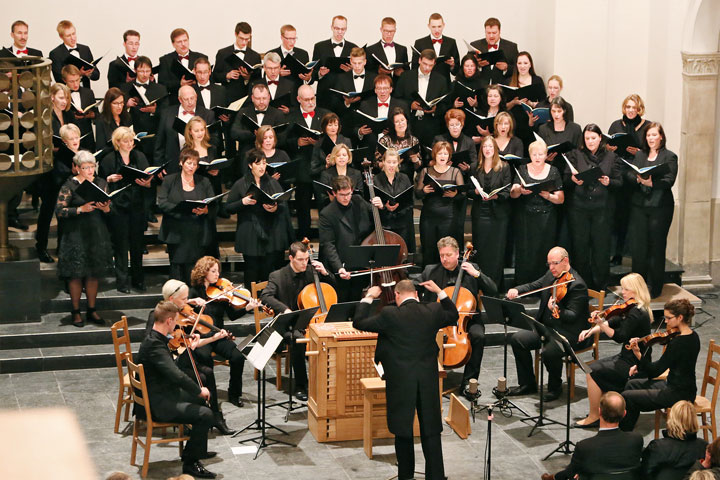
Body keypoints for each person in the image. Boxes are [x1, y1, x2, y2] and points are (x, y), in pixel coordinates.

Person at [354, 279, 458, 480]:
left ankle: (406, 475)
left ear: (396, 295)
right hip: (427, 378)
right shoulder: (433, 310)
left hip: (401, 380)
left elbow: (359, 322)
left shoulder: (389, 314)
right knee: (431, 429)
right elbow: (453, 314)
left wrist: (369, 297)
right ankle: (436, 476)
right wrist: (440, 292)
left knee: (403, 429)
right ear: (416, 294)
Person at [137, 301, 217, 479]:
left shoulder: (154, 338)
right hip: (159, 404)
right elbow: (177, 375)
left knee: (202, 402)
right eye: (175, 321)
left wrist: (189, 346)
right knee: (205, 413)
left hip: (161, 393)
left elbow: (171, 366)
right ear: (169, 321)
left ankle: (197, 448)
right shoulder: (154, 345)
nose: (177, 325)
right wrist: (199, 390)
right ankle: (190, 463)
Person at [151, 279, 240, 435]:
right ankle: (196, 418)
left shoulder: (178, 314)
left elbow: (190, 343)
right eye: (185, 299)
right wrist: (179, 344)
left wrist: (214, 337)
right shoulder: (159, 317)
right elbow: (163, 350)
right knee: (203, 375)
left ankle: (215, 416)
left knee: (208, 372)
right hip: (168, 367)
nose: (188, 302)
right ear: (171, 299)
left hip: (179, 360)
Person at [506, 247, 590, 401]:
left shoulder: (577, 285)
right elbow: (533, 286)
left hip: (568, 333)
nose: (551, 267)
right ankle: (527, 384)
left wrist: (557, 310)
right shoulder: (551, 275)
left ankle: (555, 387)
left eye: (555, 263)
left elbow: (573, 316)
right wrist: (517, 290)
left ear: (565, 261)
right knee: (518, 339)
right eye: (549, 264)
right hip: (547, 328)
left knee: (549, 352)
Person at [419, 236, 497, 400]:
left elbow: (493, 290)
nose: (444, 259)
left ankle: (469, 382)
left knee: (478, 336)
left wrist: (477, 274)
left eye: (448, 255)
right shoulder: (431, 271)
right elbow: (414, 285)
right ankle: (427, 379)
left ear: (457, 254)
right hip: (438, 320)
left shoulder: (471, 268)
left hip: (467, 321)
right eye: (442, 255)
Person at [574, 273, 652, 427]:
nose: (623, 292)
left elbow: (620, 336)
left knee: (592, 371)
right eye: (623, 288)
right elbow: (611, 322)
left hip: (635, 363)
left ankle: (594, 416)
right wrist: (590, 330)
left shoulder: (637, 312)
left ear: (636, 290)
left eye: (626, 289)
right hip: (626, 356)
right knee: (595, 370)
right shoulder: (630, 307)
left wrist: (600, 324)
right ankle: (604, 413)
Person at [261, 241, 336, 401]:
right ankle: (301, 385)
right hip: (287, 324)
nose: (305, 263)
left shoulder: (311, 272)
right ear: (291, 258)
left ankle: (327, 382)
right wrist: (285, 309)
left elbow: (332, 287)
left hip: (309, 321)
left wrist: (325, 273)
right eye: (301, 259)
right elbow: (265, 296)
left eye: (307, 259)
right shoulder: (277, 276)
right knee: (298, 340)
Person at [620, 299, 701, 431]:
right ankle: (628, 427)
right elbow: (661, 364)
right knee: (631, 384)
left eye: (669, 318)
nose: (666, 322)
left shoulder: (678, 343)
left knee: (627, 396)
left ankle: (625, 432)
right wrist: (640, 365)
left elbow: (655, 372)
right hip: (681, 386)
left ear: (680, 317)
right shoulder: (693, 336)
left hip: (679, 394)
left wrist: (638, 354)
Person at [188, 256, 258, 408]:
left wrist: (247, 308)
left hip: (219, 335)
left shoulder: (221, 292)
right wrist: (191, 302)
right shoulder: (193, 292)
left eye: (218, 271)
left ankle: (234, 394)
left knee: (238, 356)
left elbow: (232, 315)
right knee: (205, 359)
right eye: (213, 271)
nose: (217, 274)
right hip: (202, 339)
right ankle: (209, 397)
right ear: (204, 272)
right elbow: (181, 309)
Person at [55, 150, 113, 327]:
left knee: (93, 274)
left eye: (92, 167)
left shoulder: (101, 183)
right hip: (75, 234)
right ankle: (75, 312)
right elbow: (59, 211)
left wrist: (105, 209)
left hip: (96, 233)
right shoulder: (70, 185)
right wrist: (80, 209)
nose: (90, 170)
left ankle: (92, 310)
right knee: (76, 275)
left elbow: (110, 210)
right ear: (78, 168)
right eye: (86, 167)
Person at [564, 123, 622, 291]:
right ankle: (582, 285)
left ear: (600, 138)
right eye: (587, 138)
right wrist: (573, 180)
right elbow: (566, 179)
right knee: (580, 248)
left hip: (602, 209)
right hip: (579, 208)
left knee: (601, 248)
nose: (590, 141)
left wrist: (609, 182)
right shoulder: (576, 154)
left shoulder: (611, 156)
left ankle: (600, 286)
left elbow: (619, 182)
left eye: (593, 138)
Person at [225, 149, 294, 285]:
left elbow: (283, 204)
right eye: (258, 164)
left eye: (264, 163)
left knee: (268, 273)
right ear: (250, 165)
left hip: (270, 233)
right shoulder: (240, 183)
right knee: (251, 272)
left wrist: (275, 207)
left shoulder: (272, 182)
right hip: (250, 233)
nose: (262, 167)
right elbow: (228, 208)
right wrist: (243, 202)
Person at [625, 122, 678, 298]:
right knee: (639, 248)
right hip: (639, 206)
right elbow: (630, 174)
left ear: (661, 137)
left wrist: (651, 183)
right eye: (648, 135)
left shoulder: (669, 156)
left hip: (660, 207)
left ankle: (655, 288)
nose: (651, 138)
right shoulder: (640, 154)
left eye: (654, 135)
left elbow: (669, 180)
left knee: (656, 246)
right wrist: (638, 179)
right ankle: (637, 288)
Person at [540, 392, 644, 480]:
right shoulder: (636, 439)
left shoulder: (584, 446)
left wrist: (553, 478)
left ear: (599, 412)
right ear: (624, 414)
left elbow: (570, 472)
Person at [98, 127, 152, 293]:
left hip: (136, 206)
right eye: (126, 141)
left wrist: (147, 183)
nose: (130, 144)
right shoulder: (108, 160)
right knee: (121, 246)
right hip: (118, 207)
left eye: (131, 141)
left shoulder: (140, 156)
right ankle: (122, 282)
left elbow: (149, 180)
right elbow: (100, 183)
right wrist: (109, 179)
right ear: (117, 142)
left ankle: (138, 280)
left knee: (137, 245)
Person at [157, 148, 217, 283]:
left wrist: (205, 211)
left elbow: (213, 204)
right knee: (177, 270)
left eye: (195, 164)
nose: (192, 167)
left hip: (197, 232)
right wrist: (180, 209)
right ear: (181, 163)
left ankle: (194, 294)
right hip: (176, 232)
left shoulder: (204, 181)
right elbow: (162, 203)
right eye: (189, 163)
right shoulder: (169, 180)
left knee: (196, 270)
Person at [318, 175, 381, 301]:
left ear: (352, 190)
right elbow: (328, 244)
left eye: (348, 194)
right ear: (334, 193)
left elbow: (376, 216)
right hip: (343, 262)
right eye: (342, 195)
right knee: (344, 299)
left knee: (358, 299)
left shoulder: (358, 201)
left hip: (361, 261)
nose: (346, 198)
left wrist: (380, 206)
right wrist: (339, 267)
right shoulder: (327, 214)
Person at [510, 139, 564, 285]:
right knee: (525, 251)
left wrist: (549, 196)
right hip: (525, 217)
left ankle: (544, 285)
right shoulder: (522, 169)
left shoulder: (553, 171)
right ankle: (523, 285)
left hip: (546, 217)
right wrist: (519, 190)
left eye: (540, 154)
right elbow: (513, 193)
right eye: (534, 154)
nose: (537, 157)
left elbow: (561, 199)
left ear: (546, 155)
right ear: (530, 155)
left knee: (544, 251)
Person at [608, 94, 653, 266]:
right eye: (628, 107)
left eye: (634, 107)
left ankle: (637, 256)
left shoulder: (647, 126)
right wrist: (609, 147)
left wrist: (639, 152)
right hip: (619, 174)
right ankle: (617, 254)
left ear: (639, 109)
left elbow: (652, 151)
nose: (631, 110)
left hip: (637, 177)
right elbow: (608, 145)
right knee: (618, 216)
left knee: (636, 218)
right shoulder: (616, 125)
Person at [283, 85, 330, 239]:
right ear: (298, 99)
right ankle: (304, 239)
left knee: (324, 206)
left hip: (322, 167)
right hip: (302, 169)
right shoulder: (291, 117)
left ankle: (326, 238)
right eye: (307, 99)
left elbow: (334, 138)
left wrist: (318, 142)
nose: (310, 102)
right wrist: (297, 142)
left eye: (312, 98)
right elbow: (282, 140)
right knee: (303, 207)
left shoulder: (325, 115)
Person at [36, 87, 74, 263]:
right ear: (52, 97)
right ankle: (41, 247)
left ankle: (62, 246)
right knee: (48, 210)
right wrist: (55, 148)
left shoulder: (68, 115)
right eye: (60, 97)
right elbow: (40, 142)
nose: (64, 101)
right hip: (51, 170)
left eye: (66, 98)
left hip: (66, 167)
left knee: (64, 210)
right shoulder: (46, 116)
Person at [470, 136, 513, 289]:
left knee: (496, 250)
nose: (487, 149)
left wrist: (496, 196)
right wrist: (475, 192)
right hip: (480, 213)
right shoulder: (475, 166)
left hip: (498, 214)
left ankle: (495, 286)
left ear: (495, 149)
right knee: (481, 249)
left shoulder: (504, 167)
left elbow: (507, 191)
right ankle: (481, 285)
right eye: (484, 146)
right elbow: (468, 190)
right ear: (481, 149)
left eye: (490, 146)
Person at [415, 141, 465, 266]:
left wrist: (455, 195)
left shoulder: (455, 172)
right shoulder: (426, 171)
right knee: (429, 248)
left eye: (445, 154)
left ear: (449, 156)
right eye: (440, 153)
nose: (443, 156)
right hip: (429, 216)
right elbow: (417, 194)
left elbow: (463, 195)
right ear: (434, 155)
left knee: (446, 249)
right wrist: (424, 191)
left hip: (448, 216)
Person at [153, 85, 215, 175]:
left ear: (196, 97)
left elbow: (213, 141)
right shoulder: (167, 113)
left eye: (192, 98)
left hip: (199, 166)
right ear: (180, 100)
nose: (190, 102)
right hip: (173, 165)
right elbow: (160, 141)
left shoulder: (208, 114)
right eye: (186, 99)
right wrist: (159, 166)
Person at [395, 48, 450, 148]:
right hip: (409, 123)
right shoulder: (406, 76)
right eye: (425, 64)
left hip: (431, 125)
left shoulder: (441, 80)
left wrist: (436, 109)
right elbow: (397, 99)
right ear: (419, 60)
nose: (427, 68)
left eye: (430, 65)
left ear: (434, 64)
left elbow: (445, 104)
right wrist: (410, 105)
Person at [642, 400, 708, 479]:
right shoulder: (704, 447)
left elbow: (645, 474)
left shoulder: (657, 447)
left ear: (671, 419)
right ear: (694, 420)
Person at [230, 82, 286, 175]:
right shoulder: (243, 112)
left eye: (264, 98)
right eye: (258, 98)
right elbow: (234, 133)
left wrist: (267, 137)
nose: (261, 101)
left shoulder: (278, 114)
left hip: (270, 156)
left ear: (269, 97)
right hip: (248, 155)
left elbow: (283, 138)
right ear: (252, 98)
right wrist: (254, 134)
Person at [356, 74, 410, 162]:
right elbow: (355, 127)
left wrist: (394, 132)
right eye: (379, 88)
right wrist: (360, 132)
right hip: (371, 149)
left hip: (395, 150)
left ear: (391, 89)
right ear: (375, 90)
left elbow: (409, 129)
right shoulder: (365, 105)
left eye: (385, 88)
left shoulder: (402, 105)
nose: (382, 92)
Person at [374, 148, 415, 252]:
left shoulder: (404, 178)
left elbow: (410, 202)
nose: (391, 165)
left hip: (402, 223)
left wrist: (399, 208)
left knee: (402, 253)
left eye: (394, 162)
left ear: (398, 163)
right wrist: (383, 206)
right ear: (383, 162)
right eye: (388, 162)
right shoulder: (376, 180)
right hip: (384, 223)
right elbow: (371, 203)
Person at [312, 15, 357, 109]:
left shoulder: (353, 48)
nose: (340, 32)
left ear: (346, 29)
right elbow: (312, 74)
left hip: (345, 97)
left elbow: (359, 75)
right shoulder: (319, 47)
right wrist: (320, 73)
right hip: (324, 97)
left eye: (343, 29)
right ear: (332, 27)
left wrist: (352, 71)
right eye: (337, 28)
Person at [504, 51, 545, 151]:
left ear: (530, 65)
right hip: (513, 124)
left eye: (525, 63)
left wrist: (532, 104)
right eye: (519, 63)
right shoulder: (508, 81)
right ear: (516, 65)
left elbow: (544, 103)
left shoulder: (537, 80)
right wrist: (514, 102)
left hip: (531, 124)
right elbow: (502, 107)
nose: (522, 66)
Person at [212, 22, 262, 104]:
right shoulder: (223, 53)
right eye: (241, 38)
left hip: (247, 100)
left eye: (247, 39)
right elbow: (215, 76)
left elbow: (259, 81)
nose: (244, 42)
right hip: (227, 98)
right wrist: (227, 75)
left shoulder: (255, 56)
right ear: (235, 34)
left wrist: (247, 78)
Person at [157, 28, 207, 102]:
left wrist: (198, 80)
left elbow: (210, 81)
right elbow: (162, 85)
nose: (183, 44)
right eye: (179, 42)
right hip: (175, 101)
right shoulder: (165, 60)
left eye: (185, 40)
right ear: (173, 44)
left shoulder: (201, 57)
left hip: (198, 100)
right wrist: (179, 84)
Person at [49, 20, 100, 88]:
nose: (73, 38)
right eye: (68, 36)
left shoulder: (85, 49)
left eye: (73, 34)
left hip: (86, 91)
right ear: (61, 37)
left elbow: (96, 76)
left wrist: (89, 73)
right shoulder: (55, 53)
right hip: (67, 92)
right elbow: (59, 79)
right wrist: (79, 74)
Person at [412, 13, 459, 84]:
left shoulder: (451, 42)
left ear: (443, 25)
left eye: (439, 26)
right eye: (433, 27)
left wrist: (452, 65)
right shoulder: (419, 43)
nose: (437, 30)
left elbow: (456, 71)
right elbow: (414, 68)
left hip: (444, 84)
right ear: (429, 26)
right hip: (424, 83)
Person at [471, 17, 518, 86]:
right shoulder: (475, 46)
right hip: (480, 87)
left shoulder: (511, 47)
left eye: (494, 33)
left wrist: (506, 68)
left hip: (502, 88)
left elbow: (518, 68)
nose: (491, 36)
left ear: (499, 31)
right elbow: (465, 67)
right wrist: (477, 65)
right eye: (488, 33)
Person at [377, 107, 422, 180]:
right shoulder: (384, 140)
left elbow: (418, 167)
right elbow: (377, 164)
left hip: (407, 178)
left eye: (402, 120)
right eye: (397, 122)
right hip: (388, 177)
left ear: (406, 121)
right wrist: (391, 163)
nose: (401, 124)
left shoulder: (414, 140)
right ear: (393, 124)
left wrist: (416, 160)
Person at [266, 24, 312, 90]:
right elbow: (265, 78)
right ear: (282, 37)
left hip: (297, 93)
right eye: (289, 39)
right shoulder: (271, 54)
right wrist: (277, 74)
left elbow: (309, 79)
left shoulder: (303, 54)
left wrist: (308, 78)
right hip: (277, 93)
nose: (292, 42)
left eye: (294, 38)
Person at [316, 143, 362, 209]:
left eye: (344, 155)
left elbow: (360, 195)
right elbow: (322, 197)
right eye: (338, 155)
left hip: (352, 208)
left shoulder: (357, 173)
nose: (341, 157)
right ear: (334, 158)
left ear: (349, 157)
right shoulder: (326, 174)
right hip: (332, 208)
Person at [537, 96, 582, 163]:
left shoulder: (575, 129)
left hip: (570, 165)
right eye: (553, 111)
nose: (556, 114)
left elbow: (580, 152)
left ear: (564, 111)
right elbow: (538, 152)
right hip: (550, 165)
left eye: (559, 111)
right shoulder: (543, 129)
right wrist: (545, 158)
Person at [62, 64, 97, 151]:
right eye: (71, 81)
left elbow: (97, 114)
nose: (75, 84)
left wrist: (91, 115)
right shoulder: (62, 95)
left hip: (88, 138)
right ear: (64, 80)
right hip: (70, 140)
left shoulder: (88, 92)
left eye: (77, 80)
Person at [310, 112, 352, 177]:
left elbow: (351, 163)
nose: (333, 128)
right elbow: (313, 170)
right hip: (327, 177)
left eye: (336, 125)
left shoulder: (346, 141)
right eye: (330, 125)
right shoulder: (319, 144)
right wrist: (326, 165)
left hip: (344, 176)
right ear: (324, 127)